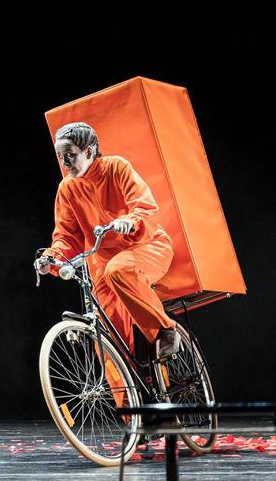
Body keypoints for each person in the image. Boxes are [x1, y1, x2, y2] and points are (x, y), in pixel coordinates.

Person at [40, 121, 180, 358]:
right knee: (106, 331)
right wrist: (52, 258)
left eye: (70, 155)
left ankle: (165, 331)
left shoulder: (116, 167)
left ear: (89, 151)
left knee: (120, 269)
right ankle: (126, 392)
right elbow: (66, 236)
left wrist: (131, 221)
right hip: (103, 263)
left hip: (147, 246)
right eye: (60, 156)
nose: (64, 163)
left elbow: (144, 206)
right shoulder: (66, 189)